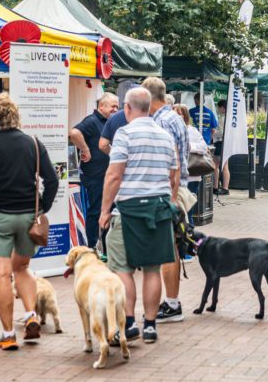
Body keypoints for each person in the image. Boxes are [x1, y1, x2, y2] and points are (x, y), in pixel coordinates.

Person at [0, 93, 59, 350]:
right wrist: (43, 206)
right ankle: (30, 315)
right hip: (29, 216)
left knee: (2, 274)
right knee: (22, 269)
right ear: (15, 115)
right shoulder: (33, 142)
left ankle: (7, 334)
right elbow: (52, 180)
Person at [99, 87, 179, 344]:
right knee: (152, 269)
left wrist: (104, 210)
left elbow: (114, 175)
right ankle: (151, 325)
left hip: (129, 209)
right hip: (158, 208)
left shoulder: (124, 133)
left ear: (128, 108)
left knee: (122, 268)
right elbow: (174, 175)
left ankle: (129, 321)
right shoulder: (165, 136)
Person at [141, 77, 189, 325]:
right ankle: (171, 301)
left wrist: (169, 199)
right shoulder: (173, 118)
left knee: (167, 249)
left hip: (169, 191)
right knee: (169, 248)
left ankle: (172, 303)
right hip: (173, 190)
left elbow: (174, 166)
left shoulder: (162, 121)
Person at [69, 92, 119, 247]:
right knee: (96, 211)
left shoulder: (108, 122)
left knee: (111, 211)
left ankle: (105, 245)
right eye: (113, 106)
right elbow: (74, 132)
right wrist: (85, 149)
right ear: (101, 106)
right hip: (95, 176)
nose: (116, 109)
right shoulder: (92, 120)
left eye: (117, 106)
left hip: (108, 176)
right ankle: (92, 247)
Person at [174, 103, 209, 199]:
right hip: (176, 177)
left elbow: (204, 148)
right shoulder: (171, 130)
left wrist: (189, 146)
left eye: (179, 113)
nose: (176, 116)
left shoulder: (192, 130)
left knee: (188, 207)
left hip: (192, 175)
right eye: (174, 113)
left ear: (185, 115)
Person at [212, 100, 230, 195]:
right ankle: (221, 187)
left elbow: (222, 132)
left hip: (220, 142)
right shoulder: (229, 118)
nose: (218, 109)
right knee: (222, 165)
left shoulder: (223, 119)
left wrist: (214, 134)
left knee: (219, 166)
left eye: (219, 107)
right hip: (225, 143)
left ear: (222, 107)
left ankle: (220, 187)